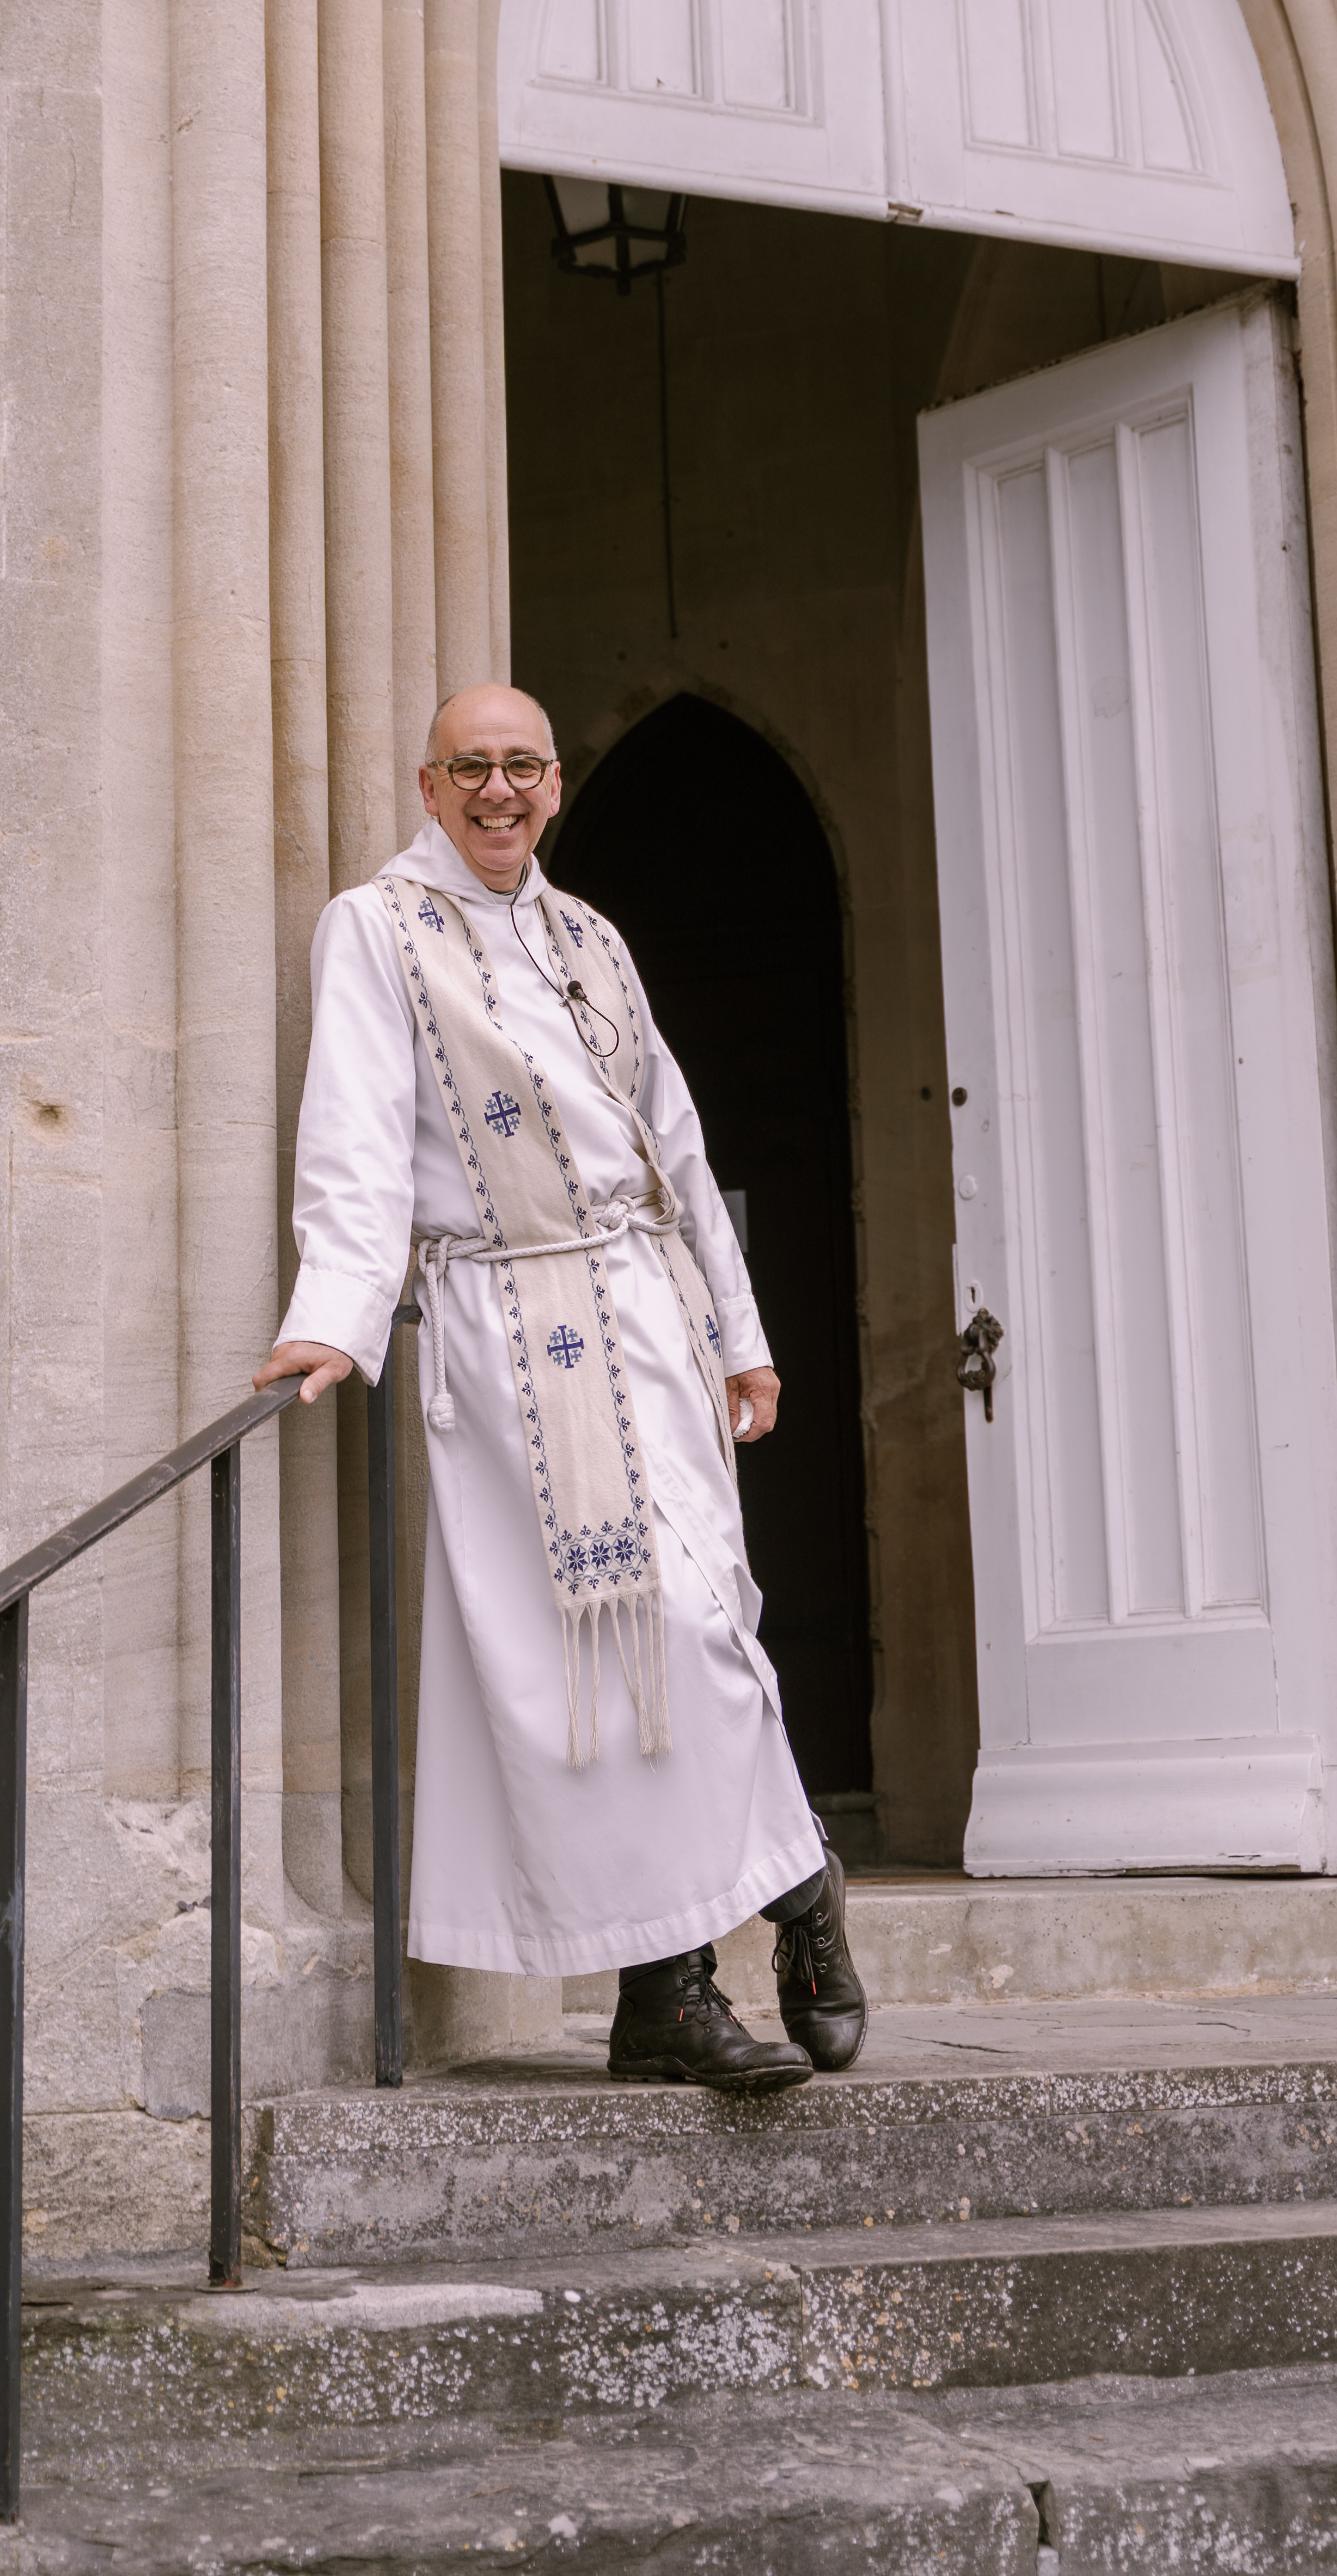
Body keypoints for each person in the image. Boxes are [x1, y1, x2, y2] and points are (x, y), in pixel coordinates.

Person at [253, 682, 867, 2090]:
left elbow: (675, 1141)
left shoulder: (589, 932)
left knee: (703, 1625)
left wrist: (739, 1333)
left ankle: (791, 1896)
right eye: (469, 767)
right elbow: (351, 1136)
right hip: (512, 1331)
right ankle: (684, 1981)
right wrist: (335, 1316)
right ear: (427, 786)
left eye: (522, 767)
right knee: (609, 1666)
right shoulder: (376, 926)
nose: (498, 790)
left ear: (555, 782)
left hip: (646, 1312)